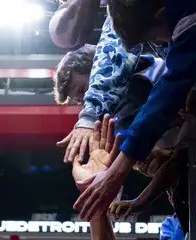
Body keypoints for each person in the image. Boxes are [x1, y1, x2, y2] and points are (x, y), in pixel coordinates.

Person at [75, 0, 196, 219]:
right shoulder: (180, 16)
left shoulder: (192, 10)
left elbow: (168, 91)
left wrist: (116, 173)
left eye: (154, 39)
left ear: (161, 13)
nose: (165, 43)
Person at [57, 12, 166, 164]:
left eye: (82, 90)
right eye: (79, 100)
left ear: (97, 71)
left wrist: (90, 117)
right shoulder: (123, 110)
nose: (84, 102)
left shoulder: (143, 78)